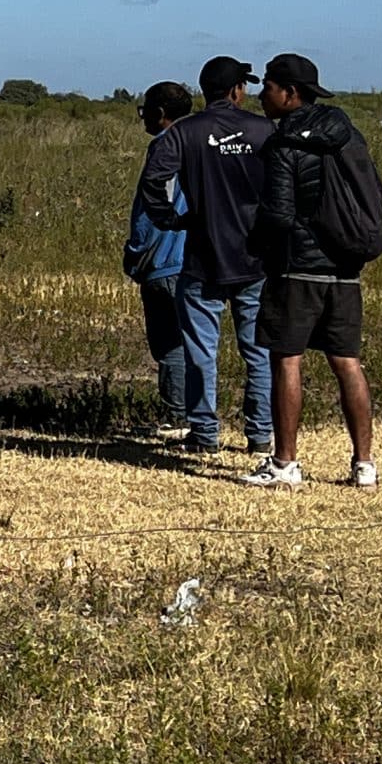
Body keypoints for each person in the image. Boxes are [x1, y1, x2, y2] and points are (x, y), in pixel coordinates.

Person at [250, 53, 380, 489]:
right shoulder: (348, 135)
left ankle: (284, 463)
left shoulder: (285, 144)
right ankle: (364, 465)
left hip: (298, 269)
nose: (261, 95)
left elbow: (279, 215)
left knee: (287, 360)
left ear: (290, 93)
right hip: (346, 266)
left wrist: (255, 245)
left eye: (268, 87)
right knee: (348, 363)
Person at [137, 55, 275, 461]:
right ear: (237, 91)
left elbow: (153, 180)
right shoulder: (264, 130)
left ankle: (204, 432)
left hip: (202, 258)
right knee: (258, 351)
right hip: (254, 259)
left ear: (204, 90)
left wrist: (171, 219)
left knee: (201, 350)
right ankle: (261, 435)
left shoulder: (185, 132)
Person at [122, 82, 193, 438]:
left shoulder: (163, 148)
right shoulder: (200, 142)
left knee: (169, 343)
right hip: (195, 258)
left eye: (146, 110)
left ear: (160, 113)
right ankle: (199, 417)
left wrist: (136, 253)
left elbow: (150, 210)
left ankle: (178, 416)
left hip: (164, 260)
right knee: (194, 341)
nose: (143, 117)